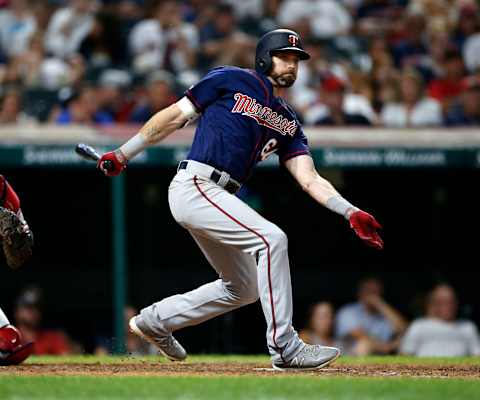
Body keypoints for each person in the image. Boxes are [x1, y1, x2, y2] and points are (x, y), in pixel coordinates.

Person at [97, 29, 383, 371]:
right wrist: (124, 153)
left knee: (243, 288)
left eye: (296, 60)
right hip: (196, 183)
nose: (292, 65)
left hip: (219, 194)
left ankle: (155, 322)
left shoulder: (288, 121)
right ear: (264, 57)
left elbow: (308, 177)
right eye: (284, 57)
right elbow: (174, 116)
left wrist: (348, 209)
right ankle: (285, 347)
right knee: (272, 239)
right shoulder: (229, 78)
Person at [0, 174, 34, 366]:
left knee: (9, 336)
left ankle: (3, 333)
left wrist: (20, 233)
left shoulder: (6, 194)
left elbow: (23, 247)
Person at [400, 284, 480, 357]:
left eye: (451, 301)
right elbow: (405, 354)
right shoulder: (419, 325)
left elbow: (477, 355)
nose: (448, 305)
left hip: (460, 371)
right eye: (442, 302)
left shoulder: (468, 326)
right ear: (433, 303)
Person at [336, 277, 407, 356]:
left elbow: (404, 329)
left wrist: (381, 305)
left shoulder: (383, 314)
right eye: (369, 291)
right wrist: (388, 347)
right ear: (360, 293)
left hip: (382, 353)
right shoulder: (348, 311)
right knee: (364, 345)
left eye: (376, 292)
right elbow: (361, 336)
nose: (372, 295)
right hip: (351, 355)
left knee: (405, 341)